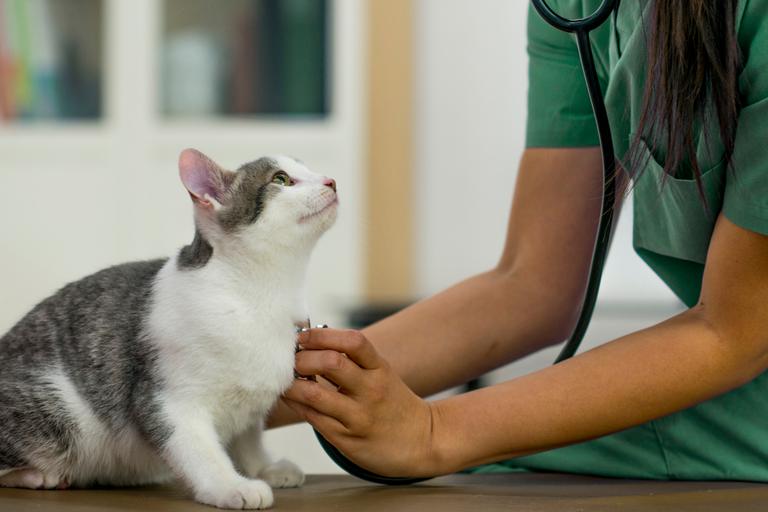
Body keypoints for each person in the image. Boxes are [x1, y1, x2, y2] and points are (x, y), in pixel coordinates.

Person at [275, 0, 768, 480]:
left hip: (745, 375)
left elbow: (737, 333)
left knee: (487, 475)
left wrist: (431, 432)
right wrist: (236, 389)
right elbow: (532, 287)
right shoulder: (573, 10)